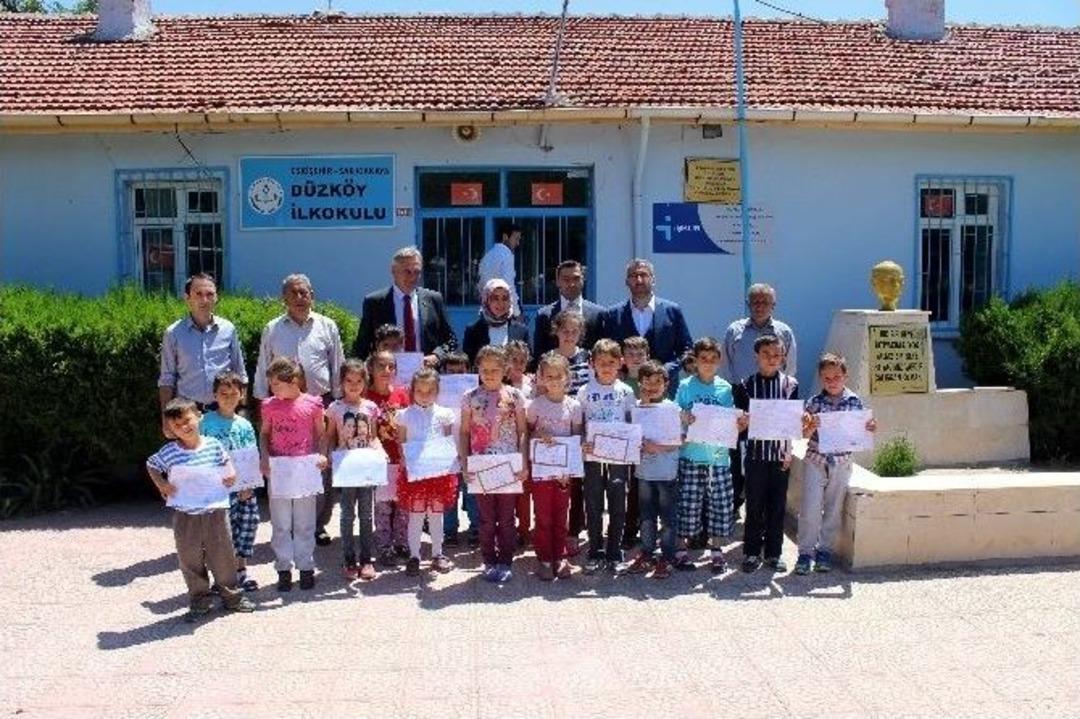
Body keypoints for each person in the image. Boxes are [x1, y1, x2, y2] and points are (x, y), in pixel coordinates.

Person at [253, 273, 345, 547]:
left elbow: (337, 364)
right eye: (293, 293)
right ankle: (289, 525)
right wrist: (260, 401)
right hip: (282, 408)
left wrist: (338, 402)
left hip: (320, 404)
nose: (299, 298)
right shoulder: (272, 329)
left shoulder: (327, 326)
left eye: (304, 292)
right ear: (284, 298)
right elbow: (262, 367)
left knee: (320, 465)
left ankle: (317, 525)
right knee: (287, 465)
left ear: (312, 295)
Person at [146, 398, 255, 622]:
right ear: (170, 429)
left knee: (223, 556)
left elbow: (226, 462)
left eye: (187, 420)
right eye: (177, 425)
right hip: (186, 514)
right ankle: (200, 599)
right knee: (189, 558)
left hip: (215, 510)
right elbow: (152, 464)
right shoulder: (170, 452)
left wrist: (231, 474)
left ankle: (232, 597)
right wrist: (162, 484)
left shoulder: (213, 444)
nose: (184, 427)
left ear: (198, 416)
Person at [796, 353, 877, 575]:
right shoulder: (813, 402)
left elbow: (862, 429)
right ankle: (805, 552)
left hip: (841, 462)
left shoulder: (855, 402)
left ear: (845, 376)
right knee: (810, 509)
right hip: (816, 460)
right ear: (821, 378)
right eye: (827, 378)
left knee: (833, 508)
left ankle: (825, 551)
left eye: (837, 377)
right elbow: (803, 434)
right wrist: (811, 425)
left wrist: (869, 428)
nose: (832, 382)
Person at [723, 283, 797, 514]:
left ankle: (765, 504)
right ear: (748, 304)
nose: (759, 306)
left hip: (773, 396)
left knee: (768, 451)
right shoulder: (734, 329)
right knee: (736, 449)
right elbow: (726, 364)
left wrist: (783, 397)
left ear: (773, 305)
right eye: (754, 301)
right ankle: (737, 499)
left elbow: (791, 366)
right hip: (740, 394)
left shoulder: (784, 331)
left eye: (765, 301)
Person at [460, 345, 529, 583]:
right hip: (481, 465)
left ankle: (506, 561)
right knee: (487, 518)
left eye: (496, 369)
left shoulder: (515, 396)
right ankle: (489, 560)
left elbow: (522, 431)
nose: (490, 374)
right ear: (477, 368)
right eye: (485, 369)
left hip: (508, 464)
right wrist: (464, 462)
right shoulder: (469, 397)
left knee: (507, 517)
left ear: (505, 369)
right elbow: (464, 432)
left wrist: (522, 460)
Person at [259, 357, 328, 591]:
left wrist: (322, 455)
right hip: (280, 469)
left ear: (294, 381)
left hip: (304, 469)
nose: (273, 389)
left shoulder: (313, 404)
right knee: (280, 522)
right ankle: (283, 567)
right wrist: (264, 456)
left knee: (305, 522)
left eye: (277, 384)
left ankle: (306, 566)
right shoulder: (269, 405)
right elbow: (265, 434)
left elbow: (321, 434)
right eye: (271, 385)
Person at [675, 337, 742, 573]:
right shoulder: (685, 386)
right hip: (692, 455)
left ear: (719, 361)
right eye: (704, 359)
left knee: (720, 505)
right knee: (688, 504)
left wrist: (740, 422)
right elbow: (676, 415)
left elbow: (731, 420)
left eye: (713, 359)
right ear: (695, 360)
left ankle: (716, 550)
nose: (708, 363)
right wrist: (684, 416)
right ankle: (681, 550)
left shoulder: (725, 388)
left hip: (718, 458)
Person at [734, 335, 799, 574]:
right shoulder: (745, 385)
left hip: (780, 454)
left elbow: (791, 423)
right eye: (766, 354)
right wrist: (741, 422)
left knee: (777, 505)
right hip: (755, 454)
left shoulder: (790, 385)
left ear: (783, 357)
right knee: (754, 504)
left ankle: (774, 553)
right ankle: (751, 552)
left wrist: (789, 451)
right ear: (756, 357)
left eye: (776, 355)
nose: (772, 359)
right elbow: (739, 423)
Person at [577, 338, 636, 574]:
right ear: (592, 364)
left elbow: (632, 423)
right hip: (592, 457)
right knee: (592, 502)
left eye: (611, 362)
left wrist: (631, 446)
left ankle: (614, 551)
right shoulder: (584, 391)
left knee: (617, 502)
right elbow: (579, 423)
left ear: (620, 363)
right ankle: (594, 550)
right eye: (601, 362)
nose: (607, 367)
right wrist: (582, 441)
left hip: (618, 458)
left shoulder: (626, 391)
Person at [158, 273, 246, 429]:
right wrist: (166, 418)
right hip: (188, 416)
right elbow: (167, 379)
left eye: (209, 294)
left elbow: (239, 372)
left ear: (216, 297)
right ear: (187, 298)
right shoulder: (173, 333)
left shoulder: (228, 329)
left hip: (224, 413)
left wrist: (242, 410)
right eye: (198, 294)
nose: (204, 300)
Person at [199, 371, 260, 592]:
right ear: (215, 395)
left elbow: (251, 456)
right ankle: (221, 577)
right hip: (216, 489)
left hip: (242, 488)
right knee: (220, 533)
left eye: (233, 393)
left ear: (241, 395)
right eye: (223, 393)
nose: (228, 398)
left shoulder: (244, 424)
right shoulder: (204, 422)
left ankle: (241, 571)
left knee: (246, 525)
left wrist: (249, 485)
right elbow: (196, 453)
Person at [322, 359, 382, 582]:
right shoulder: (335, 408)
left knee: (366, 514)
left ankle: (366, 559)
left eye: (358, 381)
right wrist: (325, 455)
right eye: (349, 381)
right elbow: (328, 436)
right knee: (347, 514)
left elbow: (373, 436)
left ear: (365, 382)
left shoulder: (370, 407)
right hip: (345, 467)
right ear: (341, 382)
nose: (354, 385)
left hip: (366, 467)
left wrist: (380, 451)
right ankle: (349, 558)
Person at [526, 351, 583, 581]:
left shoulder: (575, 406)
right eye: (549, 375)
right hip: (540, 471)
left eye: (558, 375)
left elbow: (576, 438)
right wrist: (538, 432)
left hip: (563, 473)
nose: (554, 380)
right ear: (541, 377)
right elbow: (528, 432)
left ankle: (560, 555)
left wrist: (569, 471)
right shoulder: (535, 405)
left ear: (567, 377)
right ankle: (545, 558)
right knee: (543, 516)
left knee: (561, 515)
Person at [396, 368, 459, 576]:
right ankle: (414, 555)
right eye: (420, 391)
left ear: (437, 391)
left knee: (436, 516)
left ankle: (437, 553)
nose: (424, 395)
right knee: (415, 516)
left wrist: (450, 462)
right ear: (412, 391)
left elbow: (448, 442)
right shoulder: (405, 415)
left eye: (429, 390)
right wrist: (406, 463)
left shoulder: (444, 414)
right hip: (415, 476)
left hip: (438, 475)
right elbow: (402, 443)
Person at [623, 361, 681, 579]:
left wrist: (658, 447)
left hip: (666, 473)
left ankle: (667, 557)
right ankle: (647, 553)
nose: (652, 387)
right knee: (646, 517)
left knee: (667, 518)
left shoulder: (671, 408)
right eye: (646, 382)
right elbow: (628, 434)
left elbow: (679, 441)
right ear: (639, 384)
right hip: (644, 473)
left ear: (666, 384)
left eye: (657, 382)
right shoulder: (636, 407)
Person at [354, 246, 457, 365]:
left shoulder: (434, 299)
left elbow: (451, 340)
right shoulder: (375, 302)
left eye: (417, 272)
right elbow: (363, 345)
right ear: (393, 271)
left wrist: (436, 356)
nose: (413, 277)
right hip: (389, 375)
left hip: (426, 376)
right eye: (407, 271)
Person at [605, 259, 693, 393]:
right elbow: (608, 350)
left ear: (653, 280)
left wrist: (665, 370)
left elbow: (686, 349)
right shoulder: (613, 314)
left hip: (665, 389)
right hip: (624, 389)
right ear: (626, 281)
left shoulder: (672, 311)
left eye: (644, 275)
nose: (639, 280)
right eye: (633, 276)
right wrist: (618, 370)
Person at [365, 350, 411, 566]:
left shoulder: (402, 395)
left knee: (403, 504)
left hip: (401, 459)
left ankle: (402, 541)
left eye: (391, 366)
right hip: (378, 461)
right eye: (381, 366)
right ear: (371, 369)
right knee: (383, 506)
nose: (386, 371)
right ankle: (384, 545)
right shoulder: (366, 396)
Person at [439, 351, 480, 547]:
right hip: (446, 451)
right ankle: (449, 531)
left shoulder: (476, 394)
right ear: (443, 373)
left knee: (472, 491)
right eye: (450, 372)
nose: (455, 376)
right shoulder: (436, 393)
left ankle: (475, 528)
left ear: (469, 371)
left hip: (470, 449)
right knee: (449, 494)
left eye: (460, 371)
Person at [532, 260, 605, 362]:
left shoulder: (599, 314)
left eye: (576, 278)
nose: (571, 284)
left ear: (583, 280)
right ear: (558, 281)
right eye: (566, 279)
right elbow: (538, 354)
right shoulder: (544, 315)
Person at [620, 335, 650, 548]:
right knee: (626, 488)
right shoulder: (620, 384)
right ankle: (628, 530)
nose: (636, 358)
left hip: (649, 443)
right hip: (625, 443)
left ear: (648, 356)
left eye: (640, 354)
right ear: (623, 358)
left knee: (643, 487)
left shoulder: (653, 381)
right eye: (630, 354)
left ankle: (644, 527)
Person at [463, 278, 530, 366]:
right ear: (487, 301)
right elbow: (469, 363)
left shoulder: (521, 331)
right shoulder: (473, 330)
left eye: (505, 298)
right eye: (495, 298)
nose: (500, 303)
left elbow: (528, 362)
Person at [477, 222, 523, 319]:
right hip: (503, 310)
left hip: (487, 309)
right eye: (516, 239)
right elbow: (509, 285)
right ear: (505, 236)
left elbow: (480, 284)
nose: (518, 243)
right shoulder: (506, 255)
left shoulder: (488, 255)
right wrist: (517, 313)